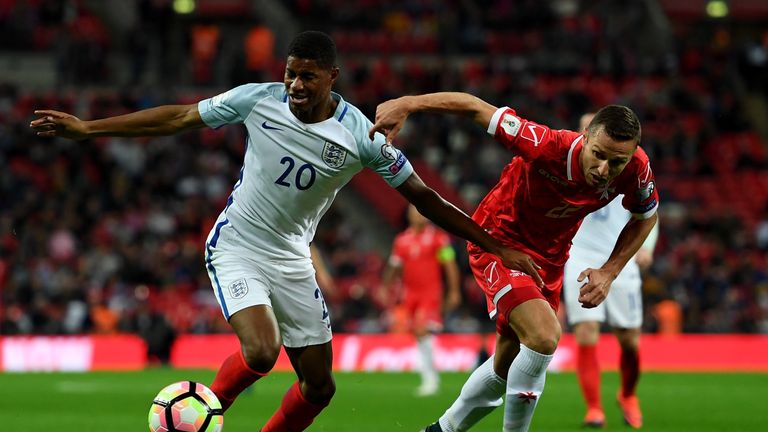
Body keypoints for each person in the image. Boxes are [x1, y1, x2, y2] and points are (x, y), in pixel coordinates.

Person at [30, 31, 530, 432]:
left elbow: (424, 198)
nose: (294, 85)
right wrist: (90, 128)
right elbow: (182, 117)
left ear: (331, 77)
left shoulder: (361, 136)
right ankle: (198, 416)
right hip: (239, 245)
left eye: (307, 77)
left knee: (320, 388)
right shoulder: (256, 100)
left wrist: (493, 244)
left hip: (292, 258)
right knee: (263, 352)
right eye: (290, 74)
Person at [370, 93, 659, 432]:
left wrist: (609, 272)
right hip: (498, 244)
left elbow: (646, 216)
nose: (604, 170)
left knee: (505, 363)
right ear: (584, 139)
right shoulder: (544, 144)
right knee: (544, 336)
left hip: (549, 261)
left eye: (616, 163)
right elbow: (476, 108)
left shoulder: (637, 166)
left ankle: (440, 430)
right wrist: (408, 104)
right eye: (598, 155)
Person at [563, 113, 660, 429]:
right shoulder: (564, 165)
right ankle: (594, 409)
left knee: (630, 341)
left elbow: (648, 213)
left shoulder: (629, 169)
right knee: (586, 332)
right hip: (578, 256)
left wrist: (646, 249)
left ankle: (628, 394)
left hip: (621, 258)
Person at [380, 204, 462, 396]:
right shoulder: (402, 240)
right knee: (418, 333)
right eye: (413, 211)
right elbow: (394, 266)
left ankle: (430, 380)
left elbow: (449, 265)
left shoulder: (438, 238)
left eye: (419, 210)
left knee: (422, 329)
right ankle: (429, 374)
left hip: (430, 292)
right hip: (410, 293)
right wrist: (386, 286)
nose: (417, 214)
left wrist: (454, 291)